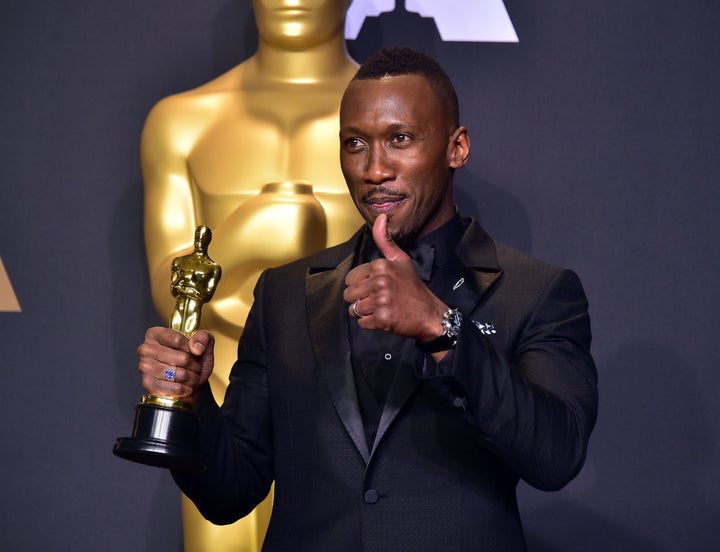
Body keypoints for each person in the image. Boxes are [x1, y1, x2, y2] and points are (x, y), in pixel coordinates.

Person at [138, 46, 598, 550]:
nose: (374, 169)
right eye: (355, 143)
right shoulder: (285, 294)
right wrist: (189, 399)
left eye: (400, 139)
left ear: (457, 147)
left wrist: (441, 327)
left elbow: (555, 455)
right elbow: (230, 492)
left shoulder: (535, 291)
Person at [140, 1, 361, 548]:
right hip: (220, 392)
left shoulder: (388, 123)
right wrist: (245, 236)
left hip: (352, 408)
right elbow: (167, 286)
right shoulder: (184, 120)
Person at [170, 226, 222, 337]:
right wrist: (192, 290)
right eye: (198, 236)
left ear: (208, 240)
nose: (200, 240)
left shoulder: (213, 268)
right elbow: (173, 288)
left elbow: (207, 294)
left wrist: (187, 289)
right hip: (181, 304)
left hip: (194, 306)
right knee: (173, 335)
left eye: (203, 237)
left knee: (188, 335)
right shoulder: (179, 261)